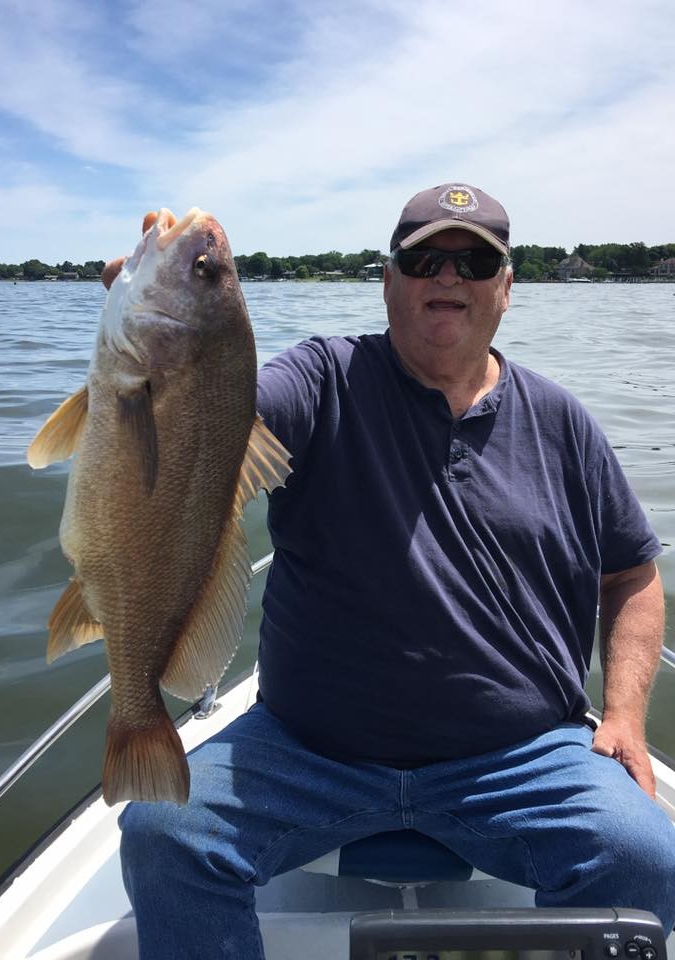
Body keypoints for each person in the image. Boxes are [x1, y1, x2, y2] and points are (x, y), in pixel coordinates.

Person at [114, 183, 675, 959]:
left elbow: (633, 575)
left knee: (644, 856)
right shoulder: (322, 377)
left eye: (475, 260)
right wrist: (167, 343)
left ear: (507, 288)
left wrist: (623, 716)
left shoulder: (563, 422)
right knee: (162, 834)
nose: (448, 276)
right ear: (387, 281)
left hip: (522, 755)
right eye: (423, 258)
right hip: (308, 750)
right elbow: (219, 418)